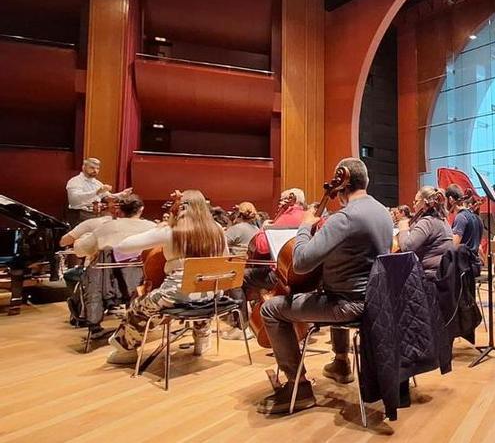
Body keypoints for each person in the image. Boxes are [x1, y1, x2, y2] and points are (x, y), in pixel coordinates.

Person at [257, 158, 393, 415]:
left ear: (343, 183)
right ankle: (341, 362)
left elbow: (301, 262)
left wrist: (304, 228)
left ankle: (299, 387)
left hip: (348, 304)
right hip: (376, 299)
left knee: (271, 309)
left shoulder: (346, 218)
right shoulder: (381, 212)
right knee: (329, 287)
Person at [105, 190, 227, 364]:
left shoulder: (172, 231)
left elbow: (124, 246)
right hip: (213, 293)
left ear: (180, 209)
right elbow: (225, 259)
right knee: (201, 294)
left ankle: (126, 350)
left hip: (177, 294)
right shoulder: (218, 230)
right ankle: (202, 339)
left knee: (139, 306)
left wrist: (161, 227)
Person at [223, 188, 306, 341]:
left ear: (292, 199)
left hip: (282, 276)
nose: (280, 203)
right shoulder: (309, 217)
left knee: (236, 277)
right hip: (306, 278)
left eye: (283, 199)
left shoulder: (287, 217)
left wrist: (265, 227)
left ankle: (242, 327)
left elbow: (261, 246)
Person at [72, 194, 156, 261]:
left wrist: (82, 238)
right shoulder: (153, 228)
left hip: (107, 279)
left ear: (119, 210)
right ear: (141, 209)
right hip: (146, 278)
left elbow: (80, 251)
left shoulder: (106, 227)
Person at [397, 186, 453, 280]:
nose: (414, 205)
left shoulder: (427, 222)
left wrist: (403, 230)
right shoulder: (443, 221)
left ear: (424, 202)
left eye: (416, 201)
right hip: (443, 276)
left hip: (428, 278)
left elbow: (407, 248)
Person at [65, 158, 130, 225]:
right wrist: (97, 192)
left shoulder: (97, 183)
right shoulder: (75, 181)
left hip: (96, 213)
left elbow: (108, 196)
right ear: (83, 167)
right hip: (80, 213)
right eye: (92, 168)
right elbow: (74, 200)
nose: (95, 170)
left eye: (97, 168)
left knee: (114, 223)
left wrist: (121, 194)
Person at [445, 184, 483, 254]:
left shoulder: (460, 217)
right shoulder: (476, 217)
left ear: (450, 199)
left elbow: (453, 246)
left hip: (464, 262)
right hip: (474, 262)